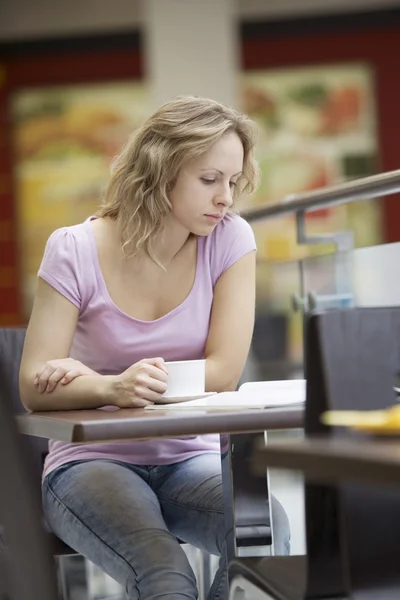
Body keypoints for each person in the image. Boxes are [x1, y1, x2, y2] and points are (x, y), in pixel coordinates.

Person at [19, 96, 290, 600]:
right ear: (159, 169)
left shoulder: (230, 241)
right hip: (89, 464)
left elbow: (224, 372)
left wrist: (89, 382)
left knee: (263, 531)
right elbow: (34, 385)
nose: (226, 197)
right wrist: (110, 386)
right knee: (165, 574)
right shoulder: (73, 248)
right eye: (209, 179)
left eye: (232, 181)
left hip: (193, 460)